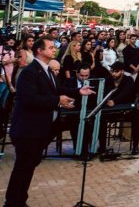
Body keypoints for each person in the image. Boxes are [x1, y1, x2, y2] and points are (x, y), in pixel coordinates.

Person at [5, 36, 95, 207]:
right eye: (51, 47)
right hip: (27, 128)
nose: (55, 50)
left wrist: (78, 91)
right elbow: (29, 98)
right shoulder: (29, 72)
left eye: (54, 47)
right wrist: (57, 101)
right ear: (40, 51)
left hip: (40, 128)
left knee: (29, 167)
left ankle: (20, 201)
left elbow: (56, 90)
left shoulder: (47, 70)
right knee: (23, 168)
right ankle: (12, 203)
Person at [97, 61, 139, 155]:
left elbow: (126, 93)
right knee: (101, 117)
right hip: (111, 110)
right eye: (112, 71)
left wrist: (115, 101)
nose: (113, 73)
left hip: (126, 109)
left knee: (135, 116)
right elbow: (104, 92)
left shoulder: (128, 79)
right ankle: (102, 146)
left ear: (122, 71)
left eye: (116, 71)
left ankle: (135, 145)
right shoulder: (108, 79)